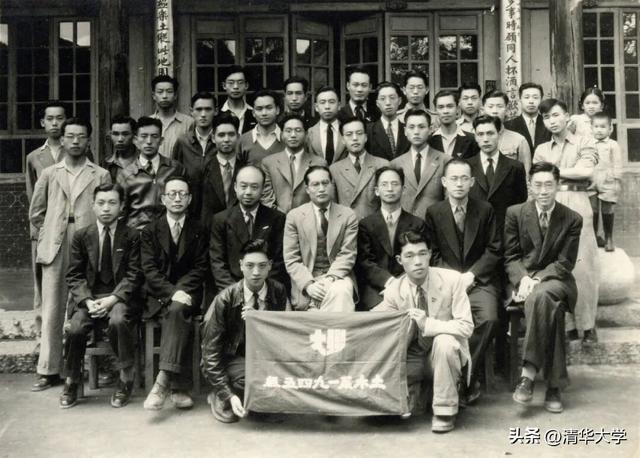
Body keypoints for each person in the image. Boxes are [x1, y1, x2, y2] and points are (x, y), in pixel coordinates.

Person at [29, 118, 111, 391]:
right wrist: (49, 234)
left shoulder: (100, 174)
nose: (76, 141)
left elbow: (106, 208)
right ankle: (49, 369)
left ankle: (90, 367)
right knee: (52, 306)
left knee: (87, 303)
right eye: (70, 136)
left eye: (81, 136)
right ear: (62, 140)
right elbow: (36, 213)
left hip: (88, 242)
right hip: (56, 242)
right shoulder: (49, 173)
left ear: (89, 140)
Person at [374, 230, 473, 433]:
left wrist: (428, 324)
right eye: (410, 256)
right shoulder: (394, 290)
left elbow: (466, 326)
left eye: (422, 253)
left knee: (445, 341)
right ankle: (424, 393)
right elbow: (381, 327)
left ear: (430, 254)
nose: (417, 261)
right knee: (393, 412)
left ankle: (445, 410)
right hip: (413, 357)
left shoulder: (452, 280)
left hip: (444, 355)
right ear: (399, 260)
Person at [505, 162, 582, 414]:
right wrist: (523, 278)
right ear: (530, 186)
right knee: (552, 309)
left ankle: (527, 374)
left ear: (558, 185)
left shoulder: (572, 219)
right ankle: (554, 386)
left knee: (542, 295)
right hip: (523, 281)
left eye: (549, 184)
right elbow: (511, 256)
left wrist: (536, 280)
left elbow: (565, 263)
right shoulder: (515, 213)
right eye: (537, 185)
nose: (543, 191)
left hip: (557, 280)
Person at [425, 159, 501, 404]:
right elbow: (432, 253)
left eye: (464, 178)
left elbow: (494, 249)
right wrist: (453, 278)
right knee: (444, 323)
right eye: (453, 179)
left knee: (488, 318)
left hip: (478, 282)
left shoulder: (485, 210)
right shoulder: (434, 212)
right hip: (446, 284)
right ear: (444, 182)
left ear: (472, 182)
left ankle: (467, 375)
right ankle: (455, 377)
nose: (459, 184)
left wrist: (472, 275)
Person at [60, 183, 142, 409]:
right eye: (101, 203)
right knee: (75, 328)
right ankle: (72, 380)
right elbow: (74, 275)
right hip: (90, 298)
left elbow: (135, 274)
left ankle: (125, 378)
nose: (106, 208)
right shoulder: (81, 236)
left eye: (112, 203)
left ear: (122, 206)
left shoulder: (132, 236)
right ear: (93, 206)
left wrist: (113, 299)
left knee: (118, 321)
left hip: (119, 298)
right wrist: (87, 301)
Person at [201, 239, 289, 423]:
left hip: (265, 356)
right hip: (232, 358)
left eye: (262, 266)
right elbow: (210, 354)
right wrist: (228, 394)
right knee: (252, 378)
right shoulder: (225, 299)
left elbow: (285, 336)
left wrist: (260, 320)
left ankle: (251, 399)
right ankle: (223, 394)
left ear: (269, 266)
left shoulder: (278, 291)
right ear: (241, 266)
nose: (256, 272)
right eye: (250, 266)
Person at [533, 98, 600, 344]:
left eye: (556, 115)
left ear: (567, 116)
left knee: (584, 266)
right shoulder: (542, 149)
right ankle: (568, 325)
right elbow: (539, 179)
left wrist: (553, 173)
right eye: (546, 117)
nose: (552, 121)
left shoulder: (584, 141)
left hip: (578, 202)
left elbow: (586, 171)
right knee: (558, 264)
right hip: (550, 204)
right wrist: (560, 175)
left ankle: (588, 325)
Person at [140, 176, 208, 411]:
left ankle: (161, 384)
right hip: (158, 295)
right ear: (163, 199)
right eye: (172, 194)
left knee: (178, 309)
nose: (177, 198)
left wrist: (180, 292)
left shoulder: (200, 229)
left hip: (189, 294)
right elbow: (149, 270)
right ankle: (178, 387)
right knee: (176, 310)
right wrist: (172, 293)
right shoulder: (150, 231)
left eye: (182, 194)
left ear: (189, 199)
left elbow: (200, 268)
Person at [283, 165, 358, 312]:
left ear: (332, 185)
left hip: (338, 277)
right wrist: (309, 285)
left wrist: (330, 279)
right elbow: (291, 258)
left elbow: (348, 254)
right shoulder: (294, 216)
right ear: (307, 189)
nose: (321, 189)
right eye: (315, 184)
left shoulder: (347, 215)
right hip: (307, 282)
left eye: (325, 183)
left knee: (340, 291)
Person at [210, 165, 287, 293]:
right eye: (243, 186)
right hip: (231, 289)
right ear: (235, 187)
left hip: (267, 289)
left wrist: (263, 289)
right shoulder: (220, 220)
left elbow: (279, 262)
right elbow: (218, 263)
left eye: (254, 187)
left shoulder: (277, 219)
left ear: (263, 189)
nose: (248, 192)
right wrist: (236, 292)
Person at [357, 166, 426, 309]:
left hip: (409, 284)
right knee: (379, 314)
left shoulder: (417, 224)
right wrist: (388, 282)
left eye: (395, 184)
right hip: (375, 287)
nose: (390, 189)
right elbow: (365, 262)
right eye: (384, 184)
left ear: (403, 189)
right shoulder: (366, 225)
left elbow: (418, 258)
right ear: (377, 191)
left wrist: (400, 284)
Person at [25, 101, 68, 333]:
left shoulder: (75, 150)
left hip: (70, 225)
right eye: (50, 119)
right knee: (42, 280)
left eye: (59, 118)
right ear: (43, 122)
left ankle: (69, 333)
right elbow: (33, 196)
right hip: (44, 227)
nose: (55, 123)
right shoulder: (34, 157)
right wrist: (38, 229)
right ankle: (41, 335)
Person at [117, 117, 186, 231]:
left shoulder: (175, 169)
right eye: (144, 136)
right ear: (135, 140)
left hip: (168, 233)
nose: (149, 141)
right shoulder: (126, 175)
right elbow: (121, 214)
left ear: (161, 140)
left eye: (154, 136)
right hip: (138, 234)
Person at [467, 115, 528, 233]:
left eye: (490, 133)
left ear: (499, 135)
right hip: (474, 232)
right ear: (475, 137)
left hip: (505, 231)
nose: (485, 139)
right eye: (480, 134)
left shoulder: (515, 167)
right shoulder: (466, 166)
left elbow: (520, 201)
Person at [261, 113, 326, 213]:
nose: (293, 135)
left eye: (298, 130)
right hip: (276, 219)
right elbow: (266, 198)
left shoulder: (319, 163)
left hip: (309, 218)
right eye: (288, 131)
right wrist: (280, 216)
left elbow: (322, 197)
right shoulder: (268, 162)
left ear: (306, 135)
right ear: (281, 135)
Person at [391, 109, 447, 218]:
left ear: (430, 129)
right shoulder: (395, 164)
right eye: (411, 127)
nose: (416, 132)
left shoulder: (444, 161)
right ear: (405, 131)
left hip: (435, 223)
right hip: (404, 224)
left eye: (421, 127)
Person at [330, 116, 389, 220]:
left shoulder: (382, 164)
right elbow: (333, 208)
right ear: (343, 140)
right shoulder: (335, 169)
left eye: (359, 133)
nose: (355, 138)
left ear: (366, 137)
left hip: (375, 226)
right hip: (347, 226)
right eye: (349, 134)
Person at [171, 91, 218, 220]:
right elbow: (175, 176)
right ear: (191, 111)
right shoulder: (183, 142)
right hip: (190, 210)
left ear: (216, 111)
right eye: (199, 109)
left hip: (217, 210)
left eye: (208, 109)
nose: (203, 114)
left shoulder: (221, 141)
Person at [200, 113, 245, 229]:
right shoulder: (202, 170)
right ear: (213, 138)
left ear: (238, 137)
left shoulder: (246, 170)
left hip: (239, 231)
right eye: (221, 135)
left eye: (231, 134)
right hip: (210, 232)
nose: (226, 139)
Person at [589, 112, 623, 251]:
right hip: (591, 180)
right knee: (592, 210)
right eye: (596, 126)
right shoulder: (588, 143)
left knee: (607, 209)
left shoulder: (613, 145)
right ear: (591, 128)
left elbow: (617, 163)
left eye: (603, 127)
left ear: (610, 129)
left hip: (608, 180)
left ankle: (609, 237)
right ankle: (594, 237)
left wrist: (617, 180)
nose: (599, 130)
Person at [482, 90, 531, 174]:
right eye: (490, 106)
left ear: (507, 110)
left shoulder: (519, 140)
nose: (495, 111)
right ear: (483, 110)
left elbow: (525, 174)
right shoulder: (474, 138)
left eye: (499, 106)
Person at [149, 75, 194, 158]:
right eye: (160, 92)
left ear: (175, 95)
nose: (164, 96)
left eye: (169, 91)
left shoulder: (189, 122)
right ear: (153, 96)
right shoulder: (147, 122)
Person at [365, 82, 410, 160]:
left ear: (399, 101)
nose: (388, 103)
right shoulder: (368, 130)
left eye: (392, 98)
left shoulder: (408, 129)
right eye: (383, 99)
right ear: (377, 103)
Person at [428, 90, 479, 159]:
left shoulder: (472, 140)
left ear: (457, 109)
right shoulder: (428, 141)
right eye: (441, 107)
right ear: (436, 110)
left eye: (450, 106)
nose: (445, 111)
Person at [504, 82, 551, 155]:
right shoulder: (508, 126)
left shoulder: (549, 123)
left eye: (535, 97)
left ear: (541, 100)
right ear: (520, 99)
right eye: (526, 97)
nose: (531, 101)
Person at [239, 90, 283, 164]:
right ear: (253, 113)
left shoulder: (287, 139)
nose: (264, 113)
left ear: (277, 110)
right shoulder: (243, 141)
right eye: (259, 109)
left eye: (269, 108)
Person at [306, 86, 346, 164]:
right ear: (316, 107)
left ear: (339, 105)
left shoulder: (347, 131)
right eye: (322, 102)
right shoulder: (309, 133)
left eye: (331, 102)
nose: (327, 107)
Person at [220, 65, 256, 134]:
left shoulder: (254, 113)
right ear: (224, 85)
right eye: (231, 83)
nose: (236, 87)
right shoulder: (217, 113)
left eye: (240, 82)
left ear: (246, 85)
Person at [103, 115, 137, 182]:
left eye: (125, 134)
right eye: (115, 134)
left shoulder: (145, 160)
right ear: (110, 135)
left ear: (134, 135)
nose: (120, 139)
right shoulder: (107, 164)